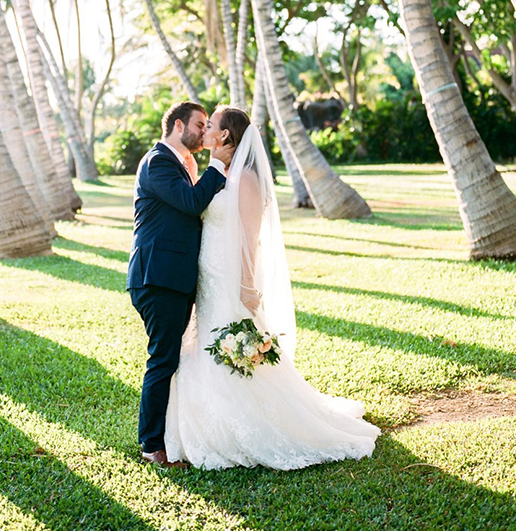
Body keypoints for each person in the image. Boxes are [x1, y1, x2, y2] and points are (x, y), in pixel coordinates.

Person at [165, 106, 381, 470]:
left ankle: (254, 425)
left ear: (227, 136)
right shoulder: (220, 173)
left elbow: (249, 239)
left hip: (230, 280)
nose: (205, 132)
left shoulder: (246, 179)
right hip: (208, 278)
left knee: (230, 347)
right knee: (204, 346)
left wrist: (248, 286)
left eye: (211, 126)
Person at [127, 100, 235, 468]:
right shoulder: (158, 161)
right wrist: (218, 164)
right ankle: (151, 445)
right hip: (157, 278)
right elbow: (190, 203)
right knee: (162, 359)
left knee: (172, 357)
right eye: (200, 125)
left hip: (174, 277)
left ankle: (173, 433)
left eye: (208, 125)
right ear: (177, 126)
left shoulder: (181, 164)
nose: (205, 132)